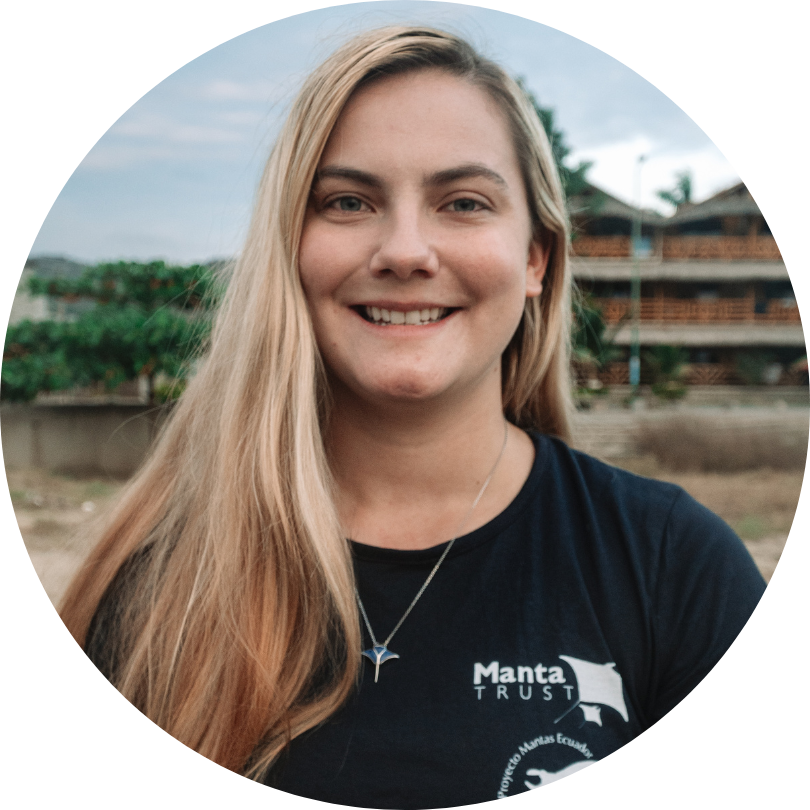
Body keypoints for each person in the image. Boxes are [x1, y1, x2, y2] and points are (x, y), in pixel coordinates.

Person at [62, 26, 767, 810]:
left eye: (463, 203)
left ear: (535, 259)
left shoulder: (675, 567)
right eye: (348, 202)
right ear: (289, 248)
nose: (404, 251)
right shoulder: (153, 582)